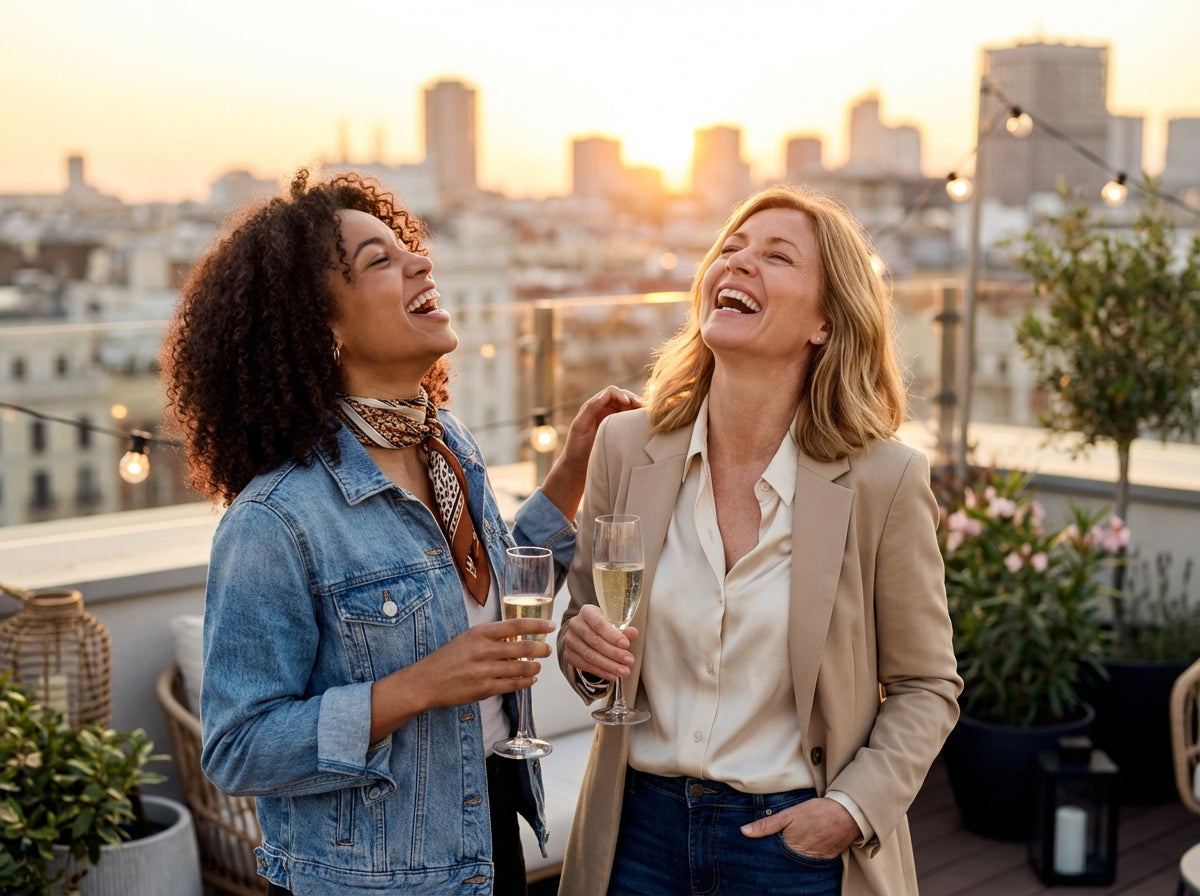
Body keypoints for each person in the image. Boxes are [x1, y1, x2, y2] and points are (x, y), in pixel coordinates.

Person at [159, 169, 639, 895]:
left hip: (484, 834)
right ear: (323, 328)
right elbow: (237, 748)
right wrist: (416, 687)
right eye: (378, 261)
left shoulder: (447, 444)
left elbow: (492, 581)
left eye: (406, 247)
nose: (421, 262)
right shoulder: (276, 518)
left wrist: (571, 469)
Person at [556, 184, 963, 895]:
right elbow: (590, 630)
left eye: (777, 257)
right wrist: (583, 651)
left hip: (789, 847)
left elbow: (926, 685)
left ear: (826, 324)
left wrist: (848, 810)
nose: (739, 264)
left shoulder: (884, 480)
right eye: (731, 249)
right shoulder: (625, 447)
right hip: (637, 831)